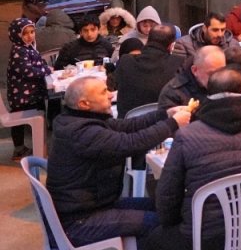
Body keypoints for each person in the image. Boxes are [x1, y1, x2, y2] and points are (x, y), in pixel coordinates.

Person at [149, 68, 241, 250]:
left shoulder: (188, 135)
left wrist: (173, 222)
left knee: (151, 236)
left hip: (205, 238)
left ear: (209, 94)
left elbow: (168, 195)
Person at [47, 76, 190, 248]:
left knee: (164, 207)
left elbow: (128, 126)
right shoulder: (83, 133)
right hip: (80, 220)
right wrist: (173, 123)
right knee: (162, 223)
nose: (110, 95)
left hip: (93, 205)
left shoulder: (77, 121)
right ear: (84, 104)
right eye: (103, 92)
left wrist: (165, 114)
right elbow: (131, 143)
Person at [110, 25, 183, 115]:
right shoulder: (179, 63)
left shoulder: (125, 61)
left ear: (148, 40)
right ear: (171, 46)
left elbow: (113, 85)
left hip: (128, 123)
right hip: (166, 123)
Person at [6, 18, 50, 159]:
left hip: (30, 94)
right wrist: (46, 71)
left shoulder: (28, 48)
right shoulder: (19, 51)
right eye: (25, 33)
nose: (30, 36)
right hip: (22, 96)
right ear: (17, 35)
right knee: (20, 122)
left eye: (32, 32)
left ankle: (40, 144)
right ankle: (19, 149)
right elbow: (28, 70)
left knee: (40, 113)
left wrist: (44, 67)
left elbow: (38, 63)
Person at [157, 45, 226, 111]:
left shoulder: (228, 84)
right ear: (195, 70)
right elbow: (168, 121)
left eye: (221, 72)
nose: (217, 78)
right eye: (211, 74)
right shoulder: (173, 92)